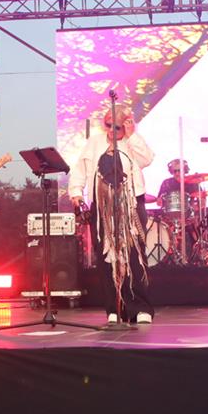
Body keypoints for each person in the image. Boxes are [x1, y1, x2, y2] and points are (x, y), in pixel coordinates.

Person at [68, 104, 155, 324]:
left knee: (134, 255)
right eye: (108, 125)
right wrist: (76, 192)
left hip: (131, 205)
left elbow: (146, 159)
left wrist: (132, 135)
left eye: (116, 126)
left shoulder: (132, 142)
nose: (111, 130)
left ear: (126, 124)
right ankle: (114, 309)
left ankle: (140, 308)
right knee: (106, 257)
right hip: (102, 206)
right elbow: (80, 169)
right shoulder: (95, 142)